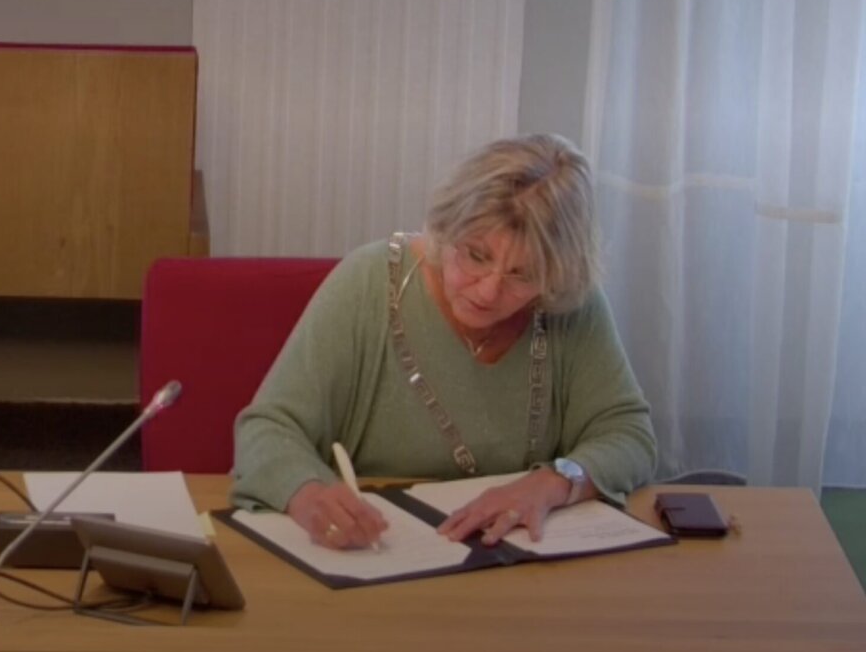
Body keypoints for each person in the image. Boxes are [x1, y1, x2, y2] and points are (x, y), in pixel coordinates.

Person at [231, 133, 656, 550]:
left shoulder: (567, 301)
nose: (489, 292)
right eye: (476, 255)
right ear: (444, 227)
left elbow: (628, 434)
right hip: (380, 558)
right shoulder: (367, 283)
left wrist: (555, 483)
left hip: (518, 568)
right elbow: (268, 430)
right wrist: (309, 496)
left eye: (522, 275)